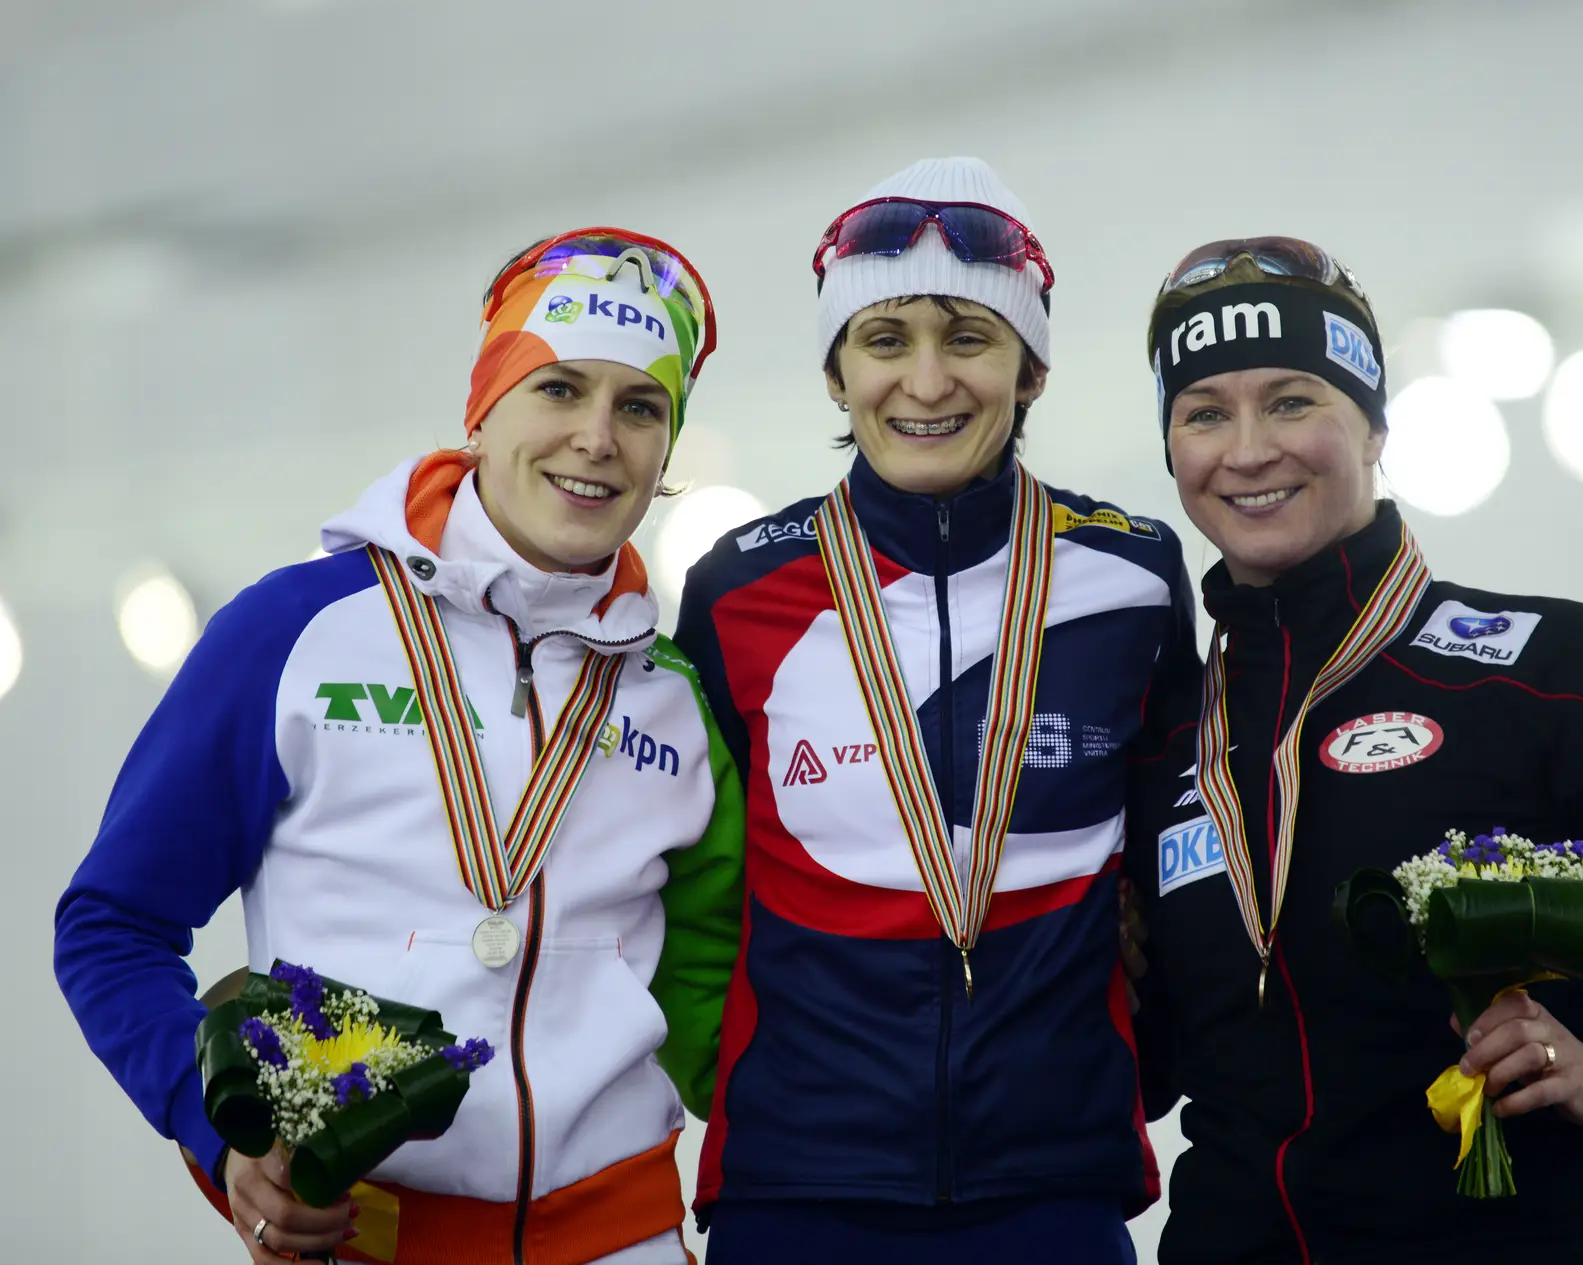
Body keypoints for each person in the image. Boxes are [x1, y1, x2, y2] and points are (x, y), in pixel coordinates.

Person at [1122, 238, 1583, 1265]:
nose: (1247, 448)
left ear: (1374, 424)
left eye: (1291, 400)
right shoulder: (1162, 735)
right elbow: (1154, 1070)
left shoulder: (1555, 669)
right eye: (1204, 413)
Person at [53, 229, 743, 1265]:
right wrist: (220, 1137)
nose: (597, 438)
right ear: (485, 406)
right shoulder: (296, 630)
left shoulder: (675, 693)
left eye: (640, 407)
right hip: (370, 1239)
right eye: (558, 388)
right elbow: (110, 923)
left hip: (628, 1235)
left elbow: (720, 990)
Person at [672, 157, 1194, 1264]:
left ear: (1030, 367)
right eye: (883, 339)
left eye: (967, 337)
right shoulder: (737, 590)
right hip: (797, 1182)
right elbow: (676, 871)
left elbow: (1180, 850)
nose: (925, 382)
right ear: (835, 370)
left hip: (1051, 1179)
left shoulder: (1136, 575)